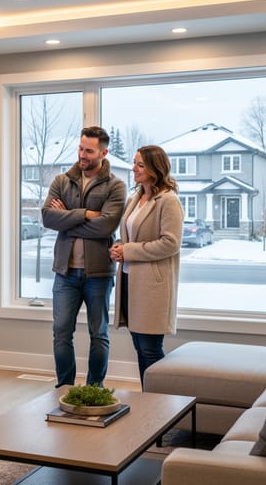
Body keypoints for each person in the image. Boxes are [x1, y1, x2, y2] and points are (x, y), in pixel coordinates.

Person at [42, 126, 127, 388]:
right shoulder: (61, 181)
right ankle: (65, 388)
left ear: (103, 152)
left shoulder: (116, 186)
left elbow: (106, 226)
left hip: (99, 274)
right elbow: (47, 217)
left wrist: (68, 216)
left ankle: (94, 389)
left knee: (98, 334)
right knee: (61, 333)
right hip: (65, 272)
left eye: (89, 151)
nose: (82, 155)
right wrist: (87, 214)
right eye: (80, 148)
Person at [109, 145, 183, 385]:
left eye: (140, 164)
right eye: (134, 163)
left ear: (155, 168)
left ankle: (159, 408)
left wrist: (128, 251)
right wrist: (120, 246)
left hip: (153, 287)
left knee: (150, 350)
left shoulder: (168, 201)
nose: (134, 169)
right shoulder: (135, 199)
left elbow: (170, 243)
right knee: (140, 349)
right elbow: (132, 235)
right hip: (131, 281)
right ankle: (149, 403)